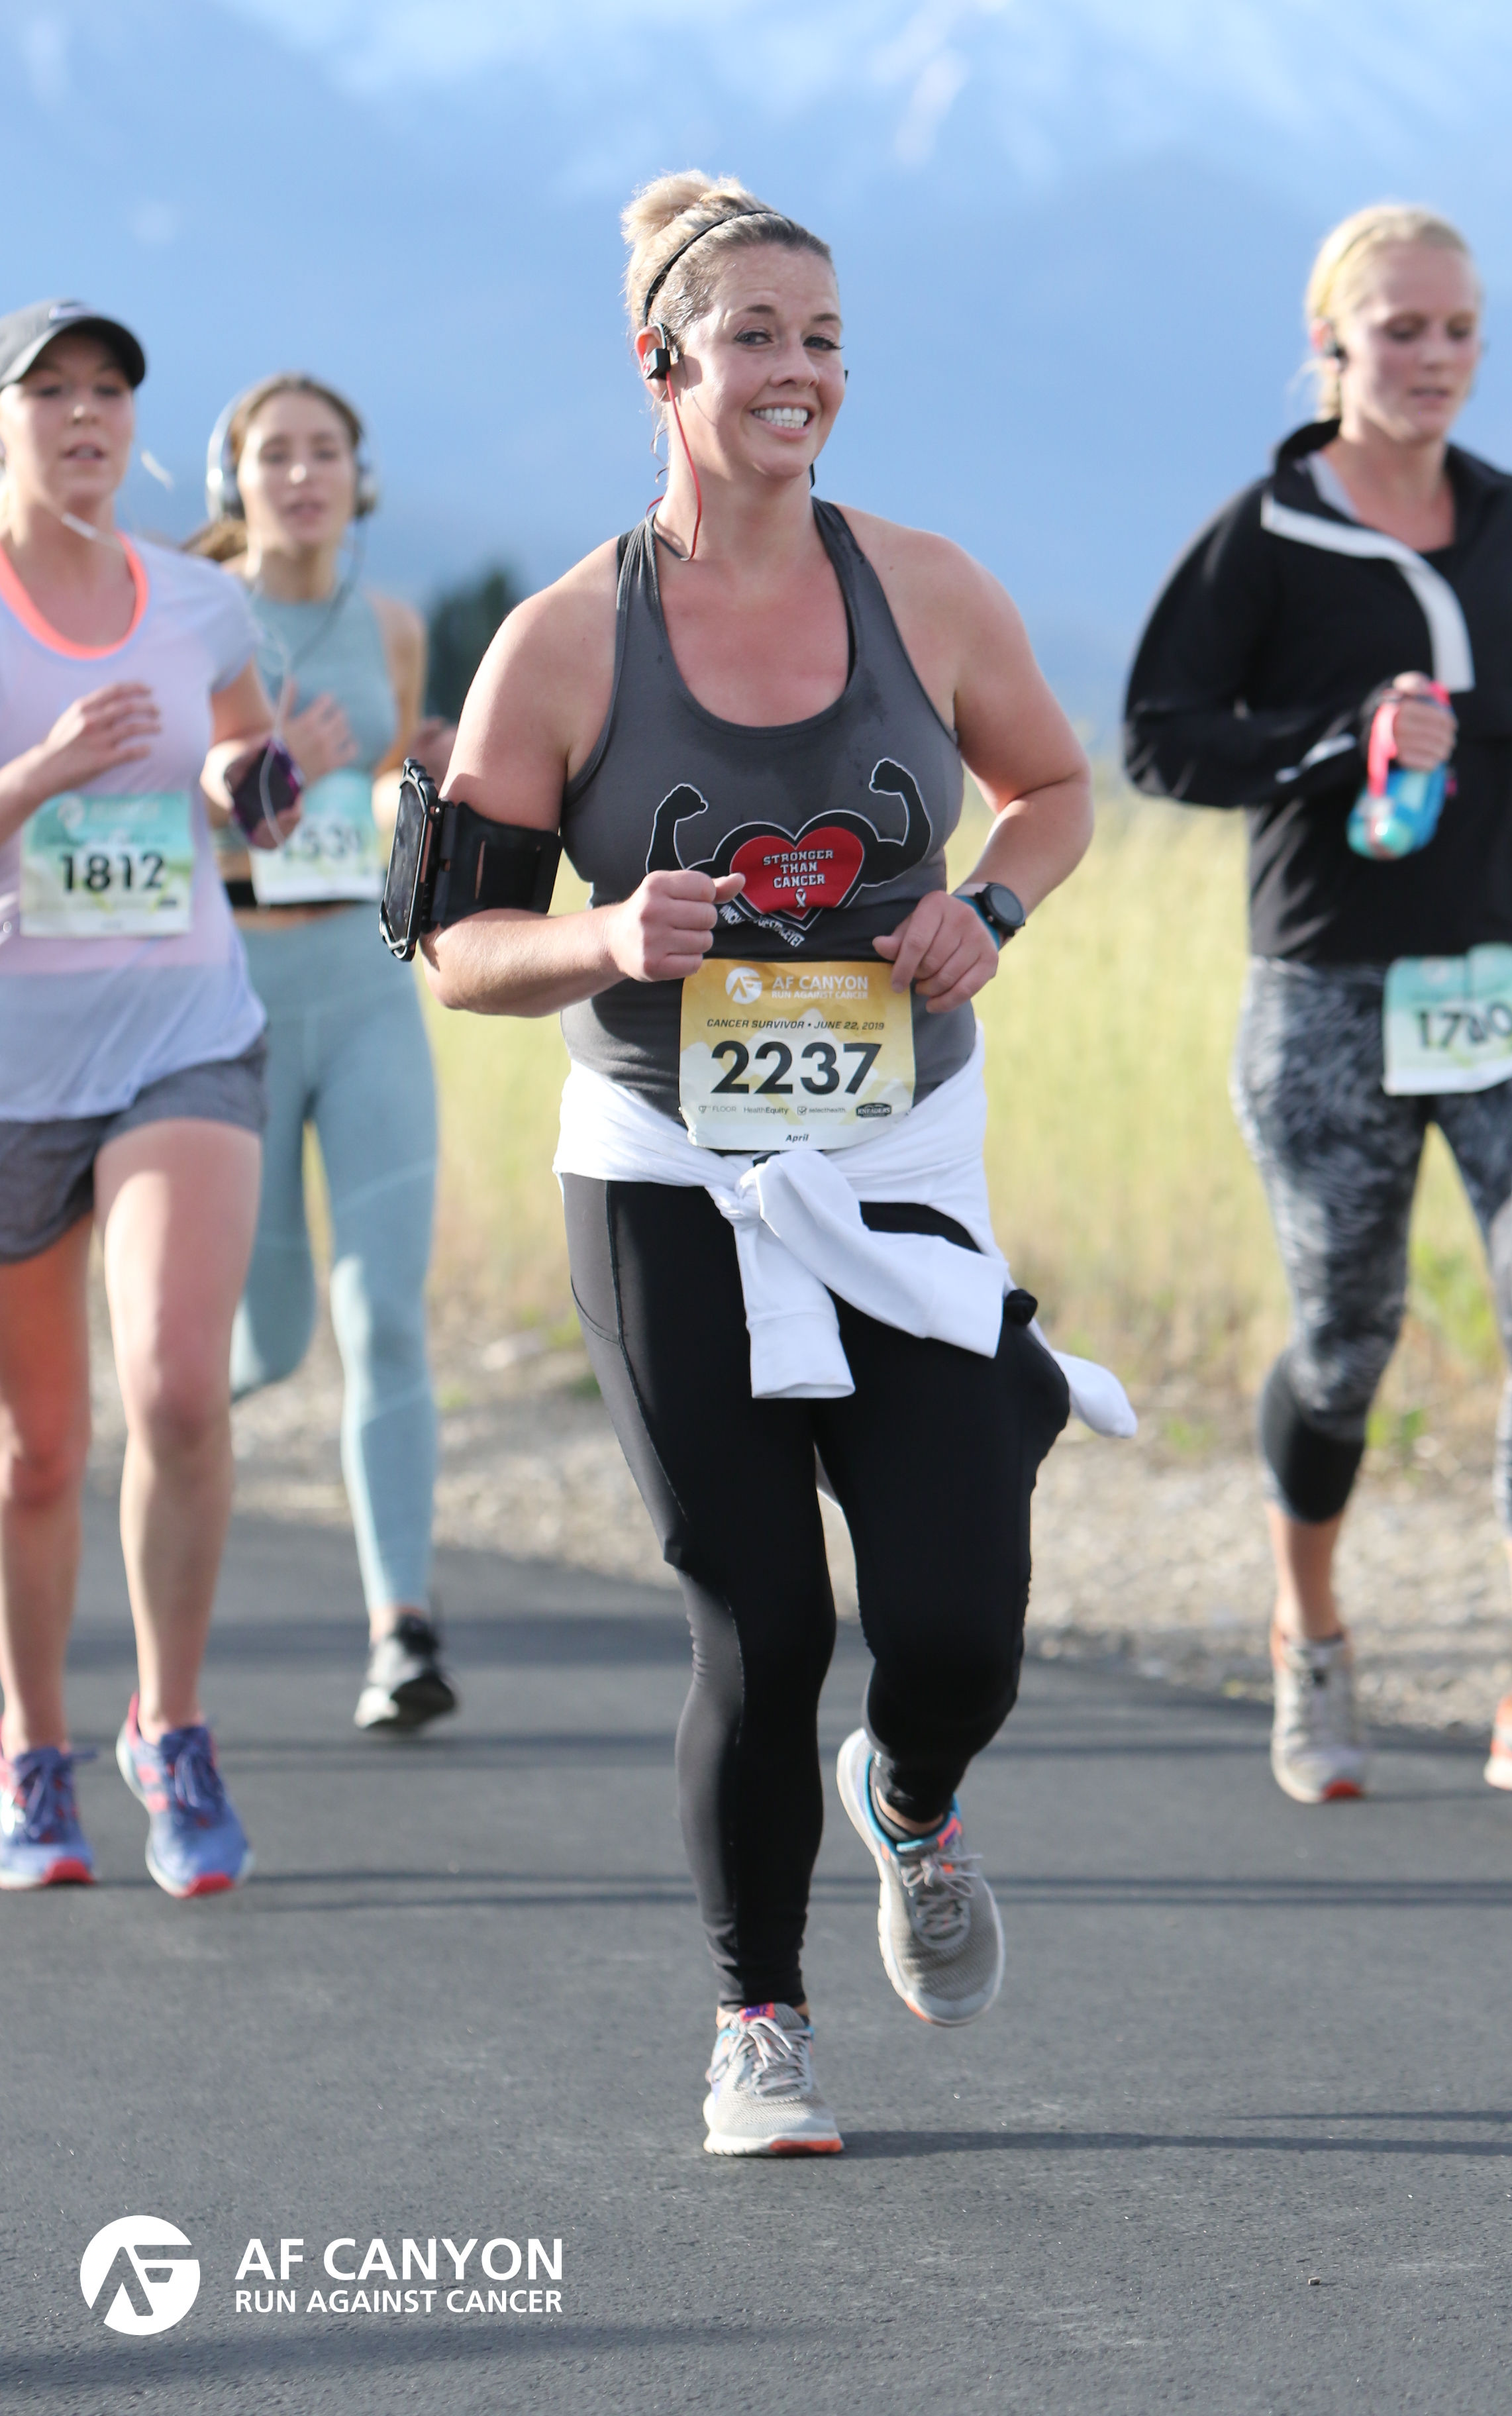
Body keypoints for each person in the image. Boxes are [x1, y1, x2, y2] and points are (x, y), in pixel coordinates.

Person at [419, 172, 1131, 2154]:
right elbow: (458, 946)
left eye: (823, 339)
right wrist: (598, 939)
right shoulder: (564, 643)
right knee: (764, 1618)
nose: (797, 371)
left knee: (959, 1625)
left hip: (898, 1157)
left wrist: (992, 907)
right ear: (660, 364)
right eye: (755, 337)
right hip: (665, 1171)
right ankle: (762, 2021)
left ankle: (909, 1797)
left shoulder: (929, 588)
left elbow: (1053, 789)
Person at [1124, 204, 1512, 1810]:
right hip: (1330, 988)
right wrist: (1343, 736)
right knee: (1346, 1340)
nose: (1434, 358)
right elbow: (1160, 740)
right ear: (1329, 340)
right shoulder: (1266, 533)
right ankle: (1309, 1636)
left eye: (1459, 329)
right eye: (1401, 329)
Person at [0, 300, 299, 1893]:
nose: (84, 414)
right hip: (12, 1074)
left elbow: (237, 755)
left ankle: (169, 1725)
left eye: (109, 389)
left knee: (181, 1389)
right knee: (39, 1451)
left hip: (183, 1032)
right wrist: (40, 776)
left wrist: (254, 781)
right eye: (48, 390)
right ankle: (31, 1748)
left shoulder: (198, 601)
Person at [190, 377, 457, 1733]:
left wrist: (436, 770)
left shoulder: (393, 626)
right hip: (227, 996)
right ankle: (145, 1441)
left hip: (362, 986)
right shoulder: (194, 622)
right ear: (233, 481)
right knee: (267, 1341)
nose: (302, 476)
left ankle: (402, 1630)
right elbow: (142, 815)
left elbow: (387, 789)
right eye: (275, 454)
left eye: (325, 453)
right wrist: (272, 768)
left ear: (362, 478)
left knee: (383, 1316)